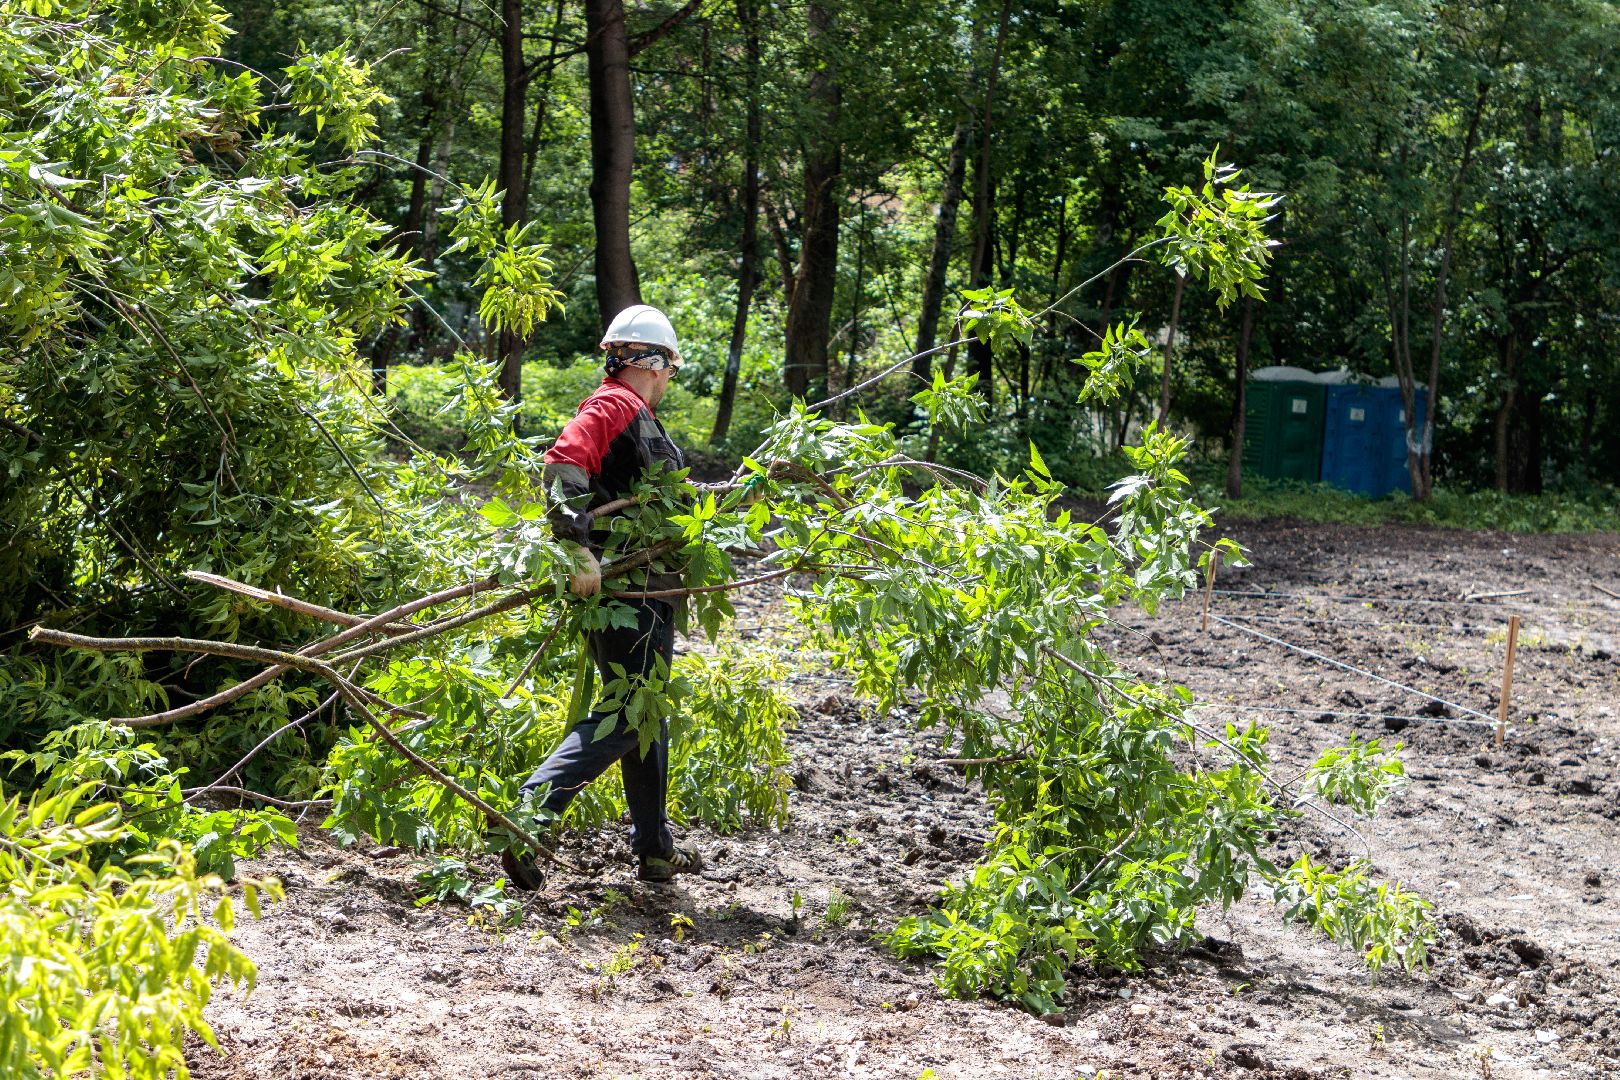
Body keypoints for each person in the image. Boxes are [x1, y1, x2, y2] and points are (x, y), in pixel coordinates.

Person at [501, 304, 705, 890]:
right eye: (670, 370)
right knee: (629, 712)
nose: (668, 381)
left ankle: (654, 847)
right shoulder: (614, 403)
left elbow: (654, 496)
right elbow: (565, 461)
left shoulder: (635, 414)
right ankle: (529, 814)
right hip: (625, 591)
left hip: (647, 590)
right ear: (659, 365)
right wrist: (576, 546)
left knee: (645, 712)